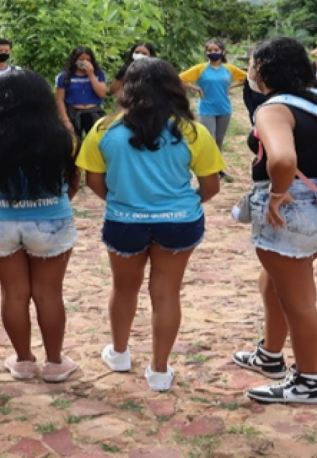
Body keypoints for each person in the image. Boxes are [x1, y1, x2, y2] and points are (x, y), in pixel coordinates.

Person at [76, 57, 223, 392]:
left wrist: (125, 202)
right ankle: (159, 371)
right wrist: (182, 203)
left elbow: (94, 183)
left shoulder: (104, 130)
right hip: (179, 223)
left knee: (123, 289)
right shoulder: (192, 131)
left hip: (125, 222)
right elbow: (211, 187)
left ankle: (120, 353)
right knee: (167, 294)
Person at [231, 38, 317, 405]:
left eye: (252, 64)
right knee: (276, 283)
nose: (249, 71)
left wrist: (278, 193)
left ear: (264, 68)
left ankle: (309, 380)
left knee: (298, 300)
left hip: (292, 211)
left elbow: (281, 159)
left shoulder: (273, 109)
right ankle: (270, 354)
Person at [0, 70, 81, 382]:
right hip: (50, 220)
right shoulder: (63, 139)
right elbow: (72, 185)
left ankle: (23, 360)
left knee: (13, 293)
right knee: (49, 293)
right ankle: (55, 363)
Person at [179, 39, 247, 181]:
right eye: (209, 50)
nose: (213, 53)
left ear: (223, 52)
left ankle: (218, 169)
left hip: (224, 108)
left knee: (219, 140)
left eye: (216, 50)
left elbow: (247, 79)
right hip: (206, 109)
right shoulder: (200, 68)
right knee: (208, 139)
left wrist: (231, 87)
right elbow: (179, 79)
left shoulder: (229, 69)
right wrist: (196, 88)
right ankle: (206, 171)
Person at [55, 46, 108, 139]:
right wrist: (65, 120)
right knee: (73, 141)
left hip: (93, 112)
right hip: (73, 113)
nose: (85, 62)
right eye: (82, 59)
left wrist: (91, 75)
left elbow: (102, 93)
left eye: (88, 59)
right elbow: (59, 100)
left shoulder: (99, 74)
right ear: (75, 60)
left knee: (96, 140)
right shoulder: (63, 76)